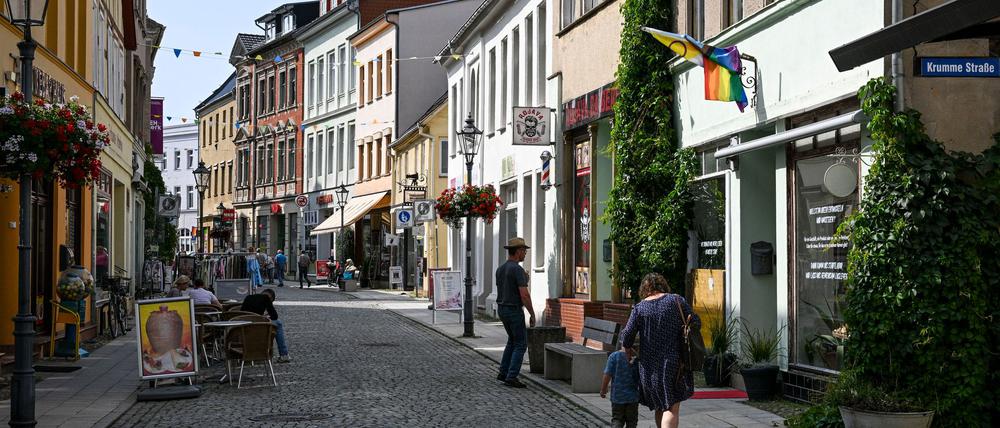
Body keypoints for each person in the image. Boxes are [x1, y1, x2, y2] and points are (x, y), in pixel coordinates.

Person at [620, 273, 700, 428]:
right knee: (671, 407)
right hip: (675, 364)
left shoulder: (640, 308)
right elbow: (695, 322)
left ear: (644, 289)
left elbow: (627, 335)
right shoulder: (676, 301)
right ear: (663, 285)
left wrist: (627, 352)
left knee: (659, 405)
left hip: (649, 367)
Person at [495, 237, 535, 388]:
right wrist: (532, 313)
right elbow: (524, 294)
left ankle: (503, 372)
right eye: (524, 251)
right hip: (513, 309)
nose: (525, 253)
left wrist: (525, 280)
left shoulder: (501, 269)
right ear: (518, 251)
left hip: (502, 309)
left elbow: (507, 288)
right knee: (520, 344)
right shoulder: (517, 270)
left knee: (512, 341)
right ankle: (511, 376)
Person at [241, 289, 290, 363]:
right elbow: (274, 316)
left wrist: (261, 316)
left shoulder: (248, 297)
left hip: (244, 327)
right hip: (258, 326)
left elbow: (243, 313)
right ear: (270, 297)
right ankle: (284, 354)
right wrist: (266, 316)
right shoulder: (266, 298)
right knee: (278, 323)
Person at [601, 347, 641, 428]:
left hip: (617, 397)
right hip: (632, 398)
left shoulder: (614, 356)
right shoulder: (638, 359)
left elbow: (607, 374)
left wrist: (603, 389)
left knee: (617, 419)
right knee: (632, 422)